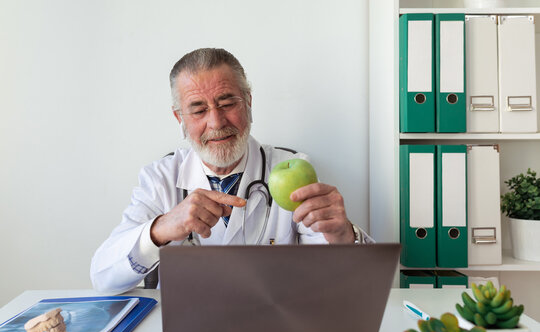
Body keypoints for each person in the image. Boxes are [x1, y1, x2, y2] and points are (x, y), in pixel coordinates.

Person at [90, 48, 373, 293]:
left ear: (248, 103)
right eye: (198, 110)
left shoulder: (294, 166)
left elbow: (348, 282)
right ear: (180, 118)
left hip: (273, 327)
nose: (216, 122)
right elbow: (103, 277)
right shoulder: (160, 179)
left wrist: (343, 237)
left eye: (227, 103)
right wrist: (162, 228)